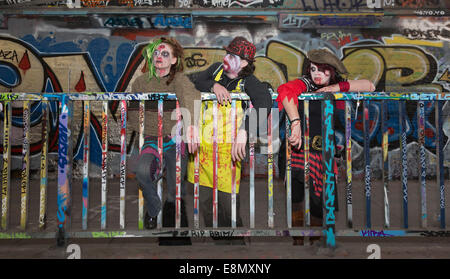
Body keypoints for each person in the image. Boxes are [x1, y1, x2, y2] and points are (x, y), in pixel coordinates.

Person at [276, 48, 375, 245]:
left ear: (332, 71)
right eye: (313, 69)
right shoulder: (305, 84)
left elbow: (369, 85)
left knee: (319, 199)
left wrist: (336, 89)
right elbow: (285, 90)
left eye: (323, 70)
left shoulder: (336, 88)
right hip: (296, 149)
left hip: (322, 152)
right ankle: (298, 237)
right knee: (295, 197)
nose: (317, 74)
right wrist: (296, 122)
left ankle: (314, 237)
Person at [187, 37, 272, 241]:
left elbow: (264, 101)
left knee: (228, 201)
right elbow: (195, 80)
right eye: (226, 54)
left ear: (243, 62)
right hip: (202, 150)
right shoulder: (216, 69)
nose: (226, 58)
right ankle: (217, 238)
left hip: (228, 152)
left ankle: (236, 239)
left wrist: (245, 131)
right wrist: (214, 86)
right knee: (204, 199)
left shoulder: (248, 81)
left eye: (232, 56)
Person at [130, 37, 201, 245]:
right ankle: (153, 209)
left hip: (175, 141)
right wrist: (147, 127)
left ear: (174, 60)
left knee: (176, 188)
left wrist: (190, 124)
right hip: (152, 139)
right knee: (143, 173)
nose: (159, 57)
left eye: (165, 54)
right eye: (156, 53)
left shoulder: (179, 79)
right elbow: (133, 112)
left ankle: (175, 235)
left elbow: (191, 96)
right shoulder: (141, 82)